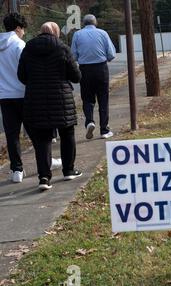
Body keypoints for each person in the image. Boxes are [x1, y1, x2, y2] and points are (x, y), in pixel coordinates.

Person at [18, 22, 82, 191]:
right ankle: (68, 170)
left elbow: (21, 76)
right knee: (67, 133)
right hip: (61, 99)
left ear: (41, 32)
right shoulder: (62, 47)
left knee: (42, 140)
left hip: (35, 99)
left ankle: (44, 178)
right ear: (56, 33)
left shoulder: (28, 48)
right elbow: (76, 76)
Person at [71, 14, 116, 140]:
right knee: (103, 98)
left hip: (85, 69)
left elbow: (73, 56)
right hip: (101, 68)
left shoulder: (77, 35)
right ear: (95, 23)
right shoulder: (103, 33)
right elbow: (111, 54)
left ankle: (90, 121)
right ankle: (104, 130)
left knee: (87, 98)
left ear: (83, 23)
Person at [0, 13, 27, 183]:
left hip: (4, 95)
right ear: (18, 28)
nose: (24, 32)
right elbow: (25, 71)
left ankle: (16, 169)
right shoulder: (20, 45)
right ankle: (44, 164)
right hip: (22, 93)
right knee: (34, 131)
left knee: (12, 134)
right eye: (23, 29)